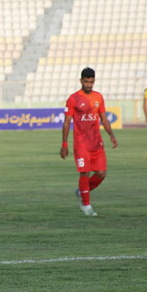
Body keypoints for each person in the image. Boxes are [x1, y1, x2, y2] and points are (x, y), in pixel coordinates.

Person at [60, 67, 118, 216]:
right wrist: (64, 144)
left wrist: (111, 134)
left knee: (101, 173)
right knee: (84, 173)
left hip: (96, 142)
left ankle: (81, 191)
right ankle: (86, 205)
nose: (89, 85)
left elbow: (104, 118)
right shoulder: (73, 99)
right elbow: (67, 122)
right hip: (81, 144)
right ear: (81, 81)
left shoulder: (98, 97)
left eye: (91, 82)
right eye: (86, 82)